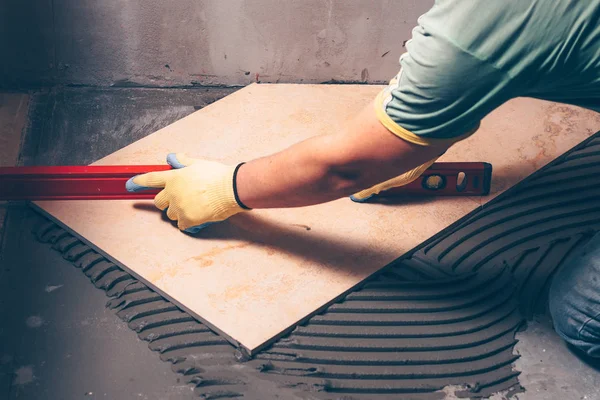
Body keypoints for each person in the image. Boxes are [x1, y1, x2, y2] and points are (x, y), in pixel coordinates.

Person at [126, 0, 600, 358]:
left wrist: (227, 187)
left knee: (583, 317)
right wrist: (418, 131)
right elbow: (506, 56)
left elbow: (341, 169)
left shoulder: (487, 21)